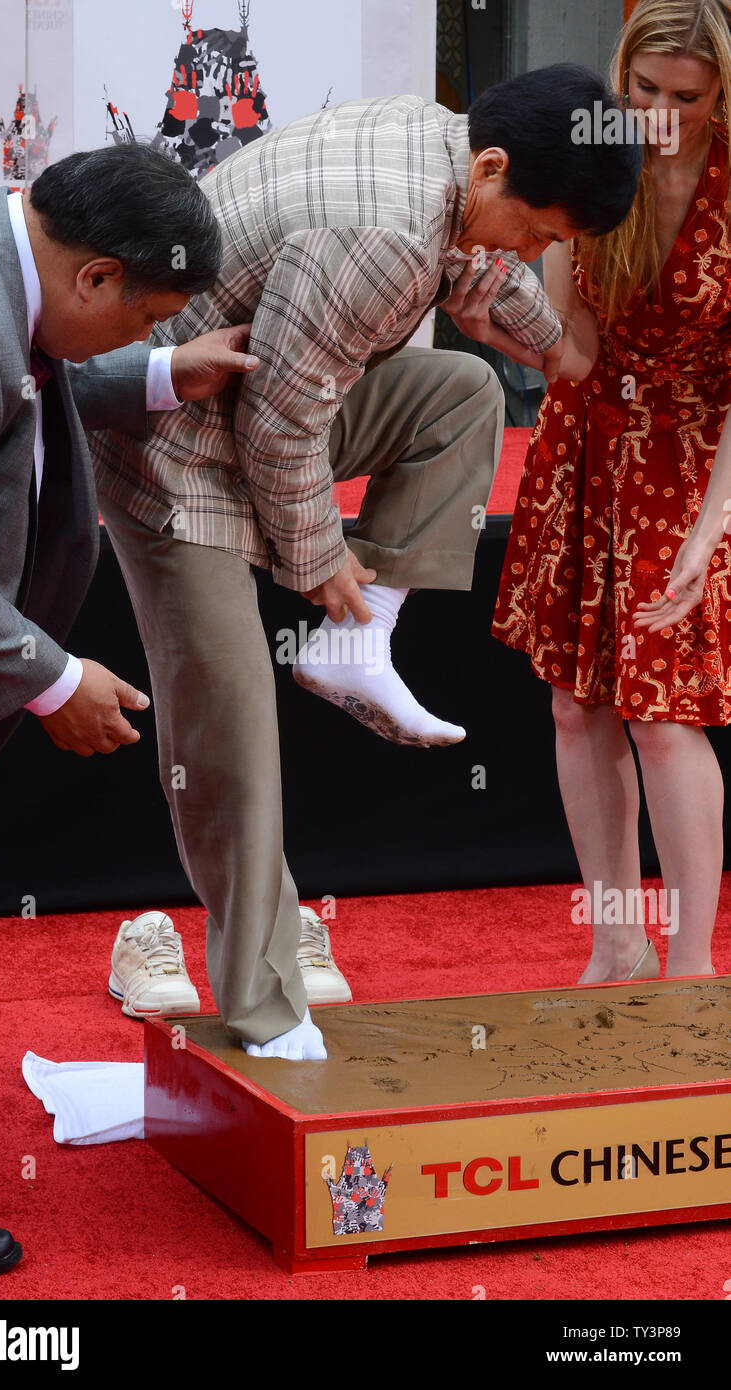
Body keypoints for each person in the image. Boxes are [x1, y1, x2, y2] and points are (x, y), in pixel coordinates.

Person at [88, 66, 642, 1062]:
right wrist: (320, 565)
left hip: (256, 404)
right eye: (538, 230)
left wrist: (549, 348)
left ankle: (358, 642)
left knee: (460, 392)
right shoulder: (384, 236)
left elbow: (499, 289)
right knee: (233, 740)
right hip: (174, 450)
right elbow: (281, 423)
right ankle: (265, 1015)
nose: (533, 253)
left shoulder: (442, 148)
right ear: (490, 165)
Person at [0, 141, 257, 1282]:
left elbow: (40, 380)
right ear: (95, 278)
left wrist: (165, 375)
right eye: (144, 319)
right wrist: (53, 676)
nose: (138, 337)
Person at [492, 0, 731, 984]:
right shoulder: (596, 167)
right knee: (572, 707)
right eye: (642, 90)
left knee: (663, 717)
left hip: (697, 460)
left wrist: (708, 532)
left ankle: (687, 965)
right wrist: (500, 324)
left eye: (686, 97)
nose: (659, 114)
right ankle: (613, 940)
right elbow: (574, 356)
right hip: (584, 452)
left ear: (720, 96)